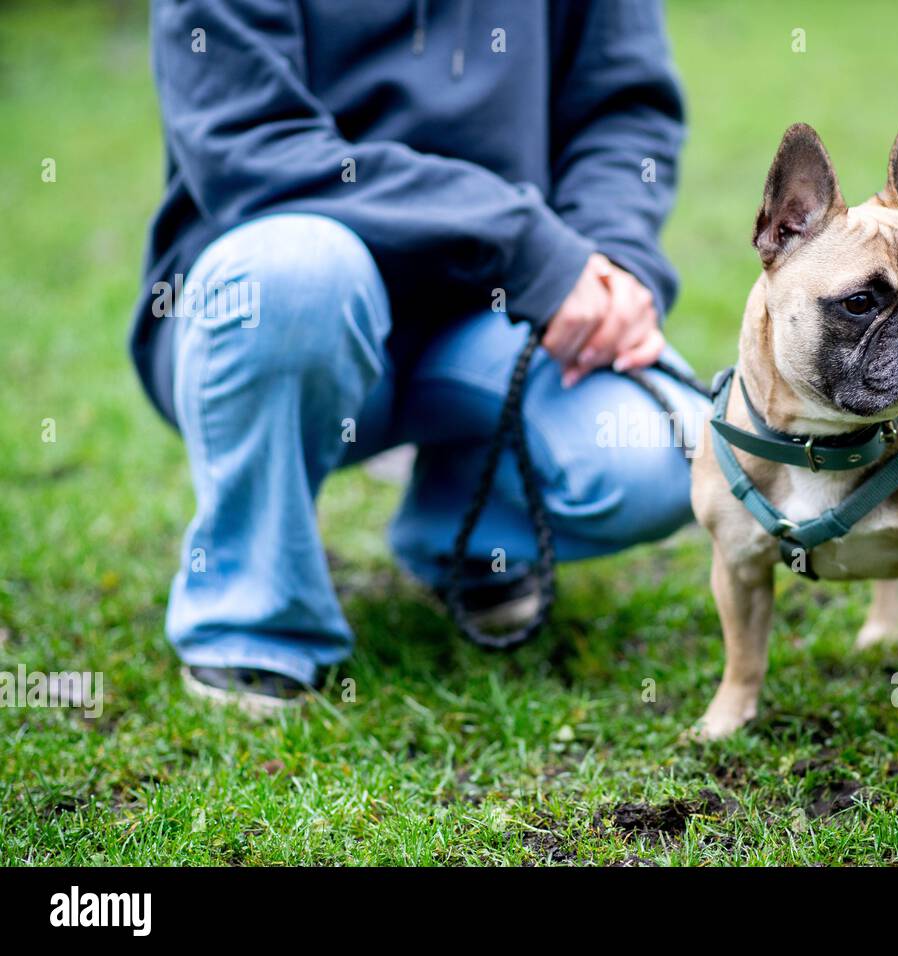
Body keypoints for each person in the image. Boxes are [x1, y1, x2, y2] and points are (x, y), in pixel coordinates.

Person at [131, 0, 704, 714]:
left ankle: (465, 534)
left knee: (669, 452)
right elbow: (252, 146)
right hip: (283, 296)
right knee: (300, 276)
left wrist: (608, 258)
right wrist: (523, 240)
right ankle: (254, 616)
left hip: (494, 312)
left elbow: (623, 111)